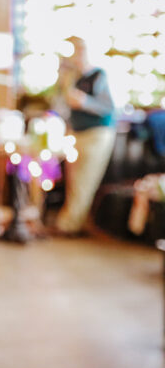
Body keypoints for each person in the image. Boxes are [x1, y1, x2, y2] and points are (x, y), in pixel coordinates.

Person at [55, 37, 116, 235]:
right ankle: (73, 224)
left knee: (84, 182)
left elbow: (109, 108)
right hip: (77, 134)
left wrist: (85, 103)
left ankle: (68, 226)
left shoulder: (99, 75)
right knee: (74, 182)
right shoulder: (74, 78)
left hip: (97, 135)